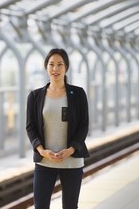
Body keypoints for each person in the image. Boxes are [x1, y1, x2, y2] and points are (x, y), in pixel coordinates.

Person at [26, 48, 89, 209]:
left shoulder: (79, 94)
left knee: (70, 206)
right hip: (45, 161)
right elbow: (30, 127)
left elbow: (83, 125)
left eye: (60, 64)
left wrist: (70, 150)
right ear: (46, 67)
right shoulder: (35, 96)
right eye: (51, 64)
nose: (55, 69)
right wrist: (41, 151)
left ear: (66, 67)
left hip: (71, 162)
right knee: (40, 206)